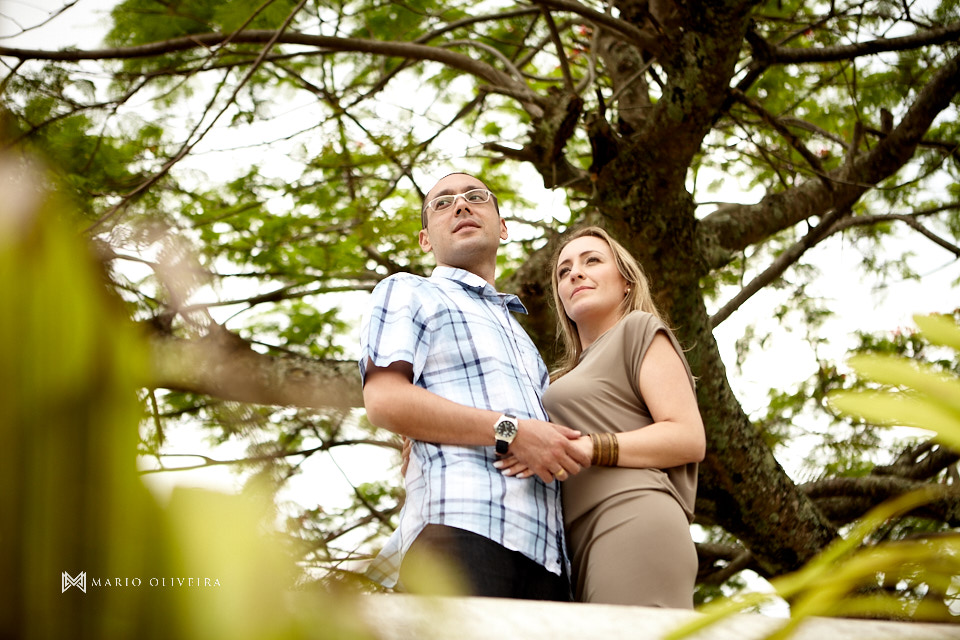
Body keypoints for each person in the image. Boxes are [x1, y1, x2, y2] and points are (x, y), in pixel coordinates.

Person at [359, 172, 591, 600]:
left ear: (502, 227)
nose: (461, 205)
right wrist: (512, 431)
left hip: (551, 562)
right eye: (442, 203)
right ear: (425, 239)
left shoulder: (524, 342)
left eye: (475, 197)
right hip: (461, 534)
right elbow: (384, 399)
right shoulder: (409, 292)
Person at [495, 225, 706, 608]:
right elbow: (513, 430)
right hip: (573, 546)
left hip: (631, 515)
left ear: (626, 282)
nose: (575, 272)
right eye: (563, 270)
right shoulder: (554, 379)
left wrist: (593, 447)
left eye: (592, 261)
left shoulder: (637, 330)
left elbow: (688, 437)